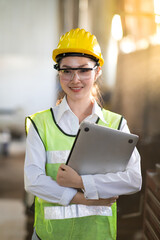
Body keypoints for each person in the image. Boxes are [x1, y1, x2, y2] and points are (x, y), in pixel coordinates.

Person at [24, 28, 142, 240]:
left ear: (97, 72)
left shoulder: (116, 124)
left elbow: (133, 179)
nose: (75, 79)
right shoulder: (40, 124)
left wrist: (81, 182)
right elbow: (33, 181)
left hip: (98, 235)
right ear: (58, 71)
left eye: (83, 70)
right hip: (50, 236)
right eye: (66, 70)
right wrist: (84, 198)